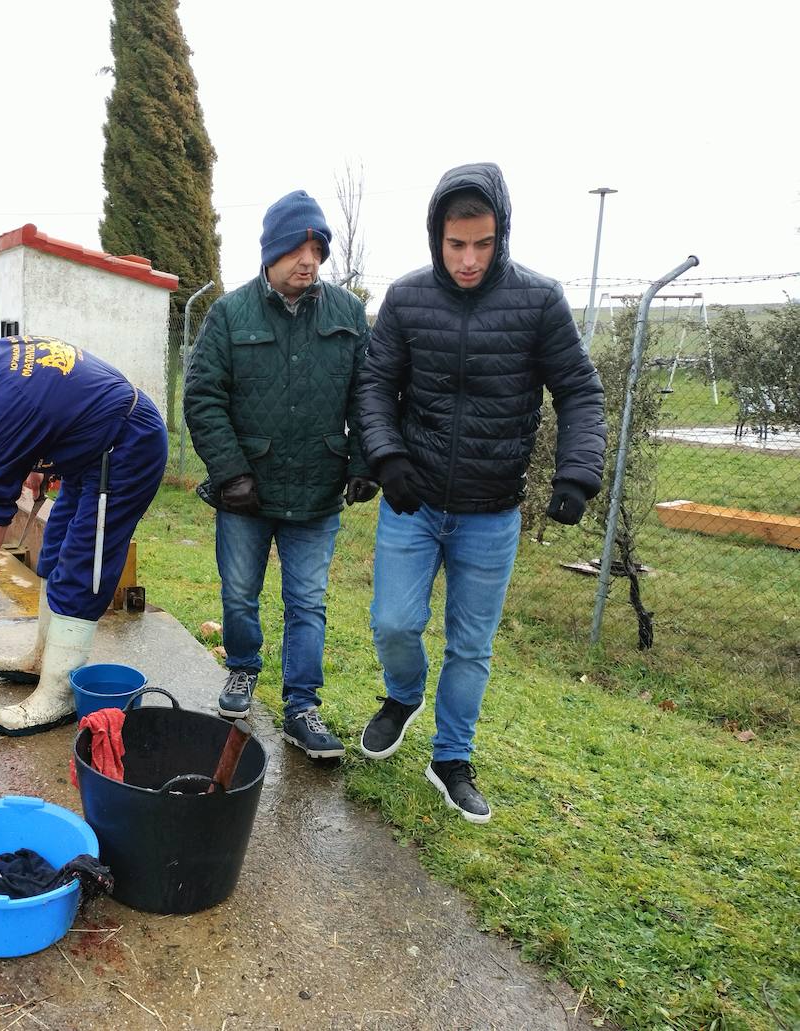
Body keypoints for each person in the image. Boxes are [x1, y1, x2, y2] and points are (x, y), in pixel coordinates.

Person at [354, 162, 607, 822]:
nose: (468, 260)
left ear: (503, 236)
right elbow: (375, 387)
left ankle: (451, 756)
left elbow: (579, 390)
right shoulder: (407, 300)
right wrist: (387, 456)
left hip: (492, 512)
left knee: (471, 645)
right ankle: (403, 693)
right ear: (436, 236)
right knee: (394, 621)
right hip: (413, 501)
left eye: (483, 244)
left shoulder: (539, 301)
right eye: (455, 244)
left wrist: (577, 474)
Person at [184, 189, 376, 761]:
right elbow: (203, 397)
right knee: (240, 594)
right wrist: (230, 471)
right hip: (247, 492)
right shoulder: (229, 313)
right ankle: (242, 669)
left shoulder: (347, 314)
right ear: (271, 250)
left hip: (318, 487)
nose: (309, 259)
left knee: (308, 602)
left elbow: (369, 394)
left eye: (318, 247)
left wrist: (364, 462)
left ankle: (301, 706)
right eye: (298, 246)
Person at [0, 329, 168, 736]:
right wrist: (37, 460)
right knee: (56, 548)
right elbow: (49, 401)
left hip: (127, 446)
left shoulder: (0, 405)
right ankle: (45, 658)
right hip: (89, 448)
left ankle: (60, 693)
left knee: (83, 565)